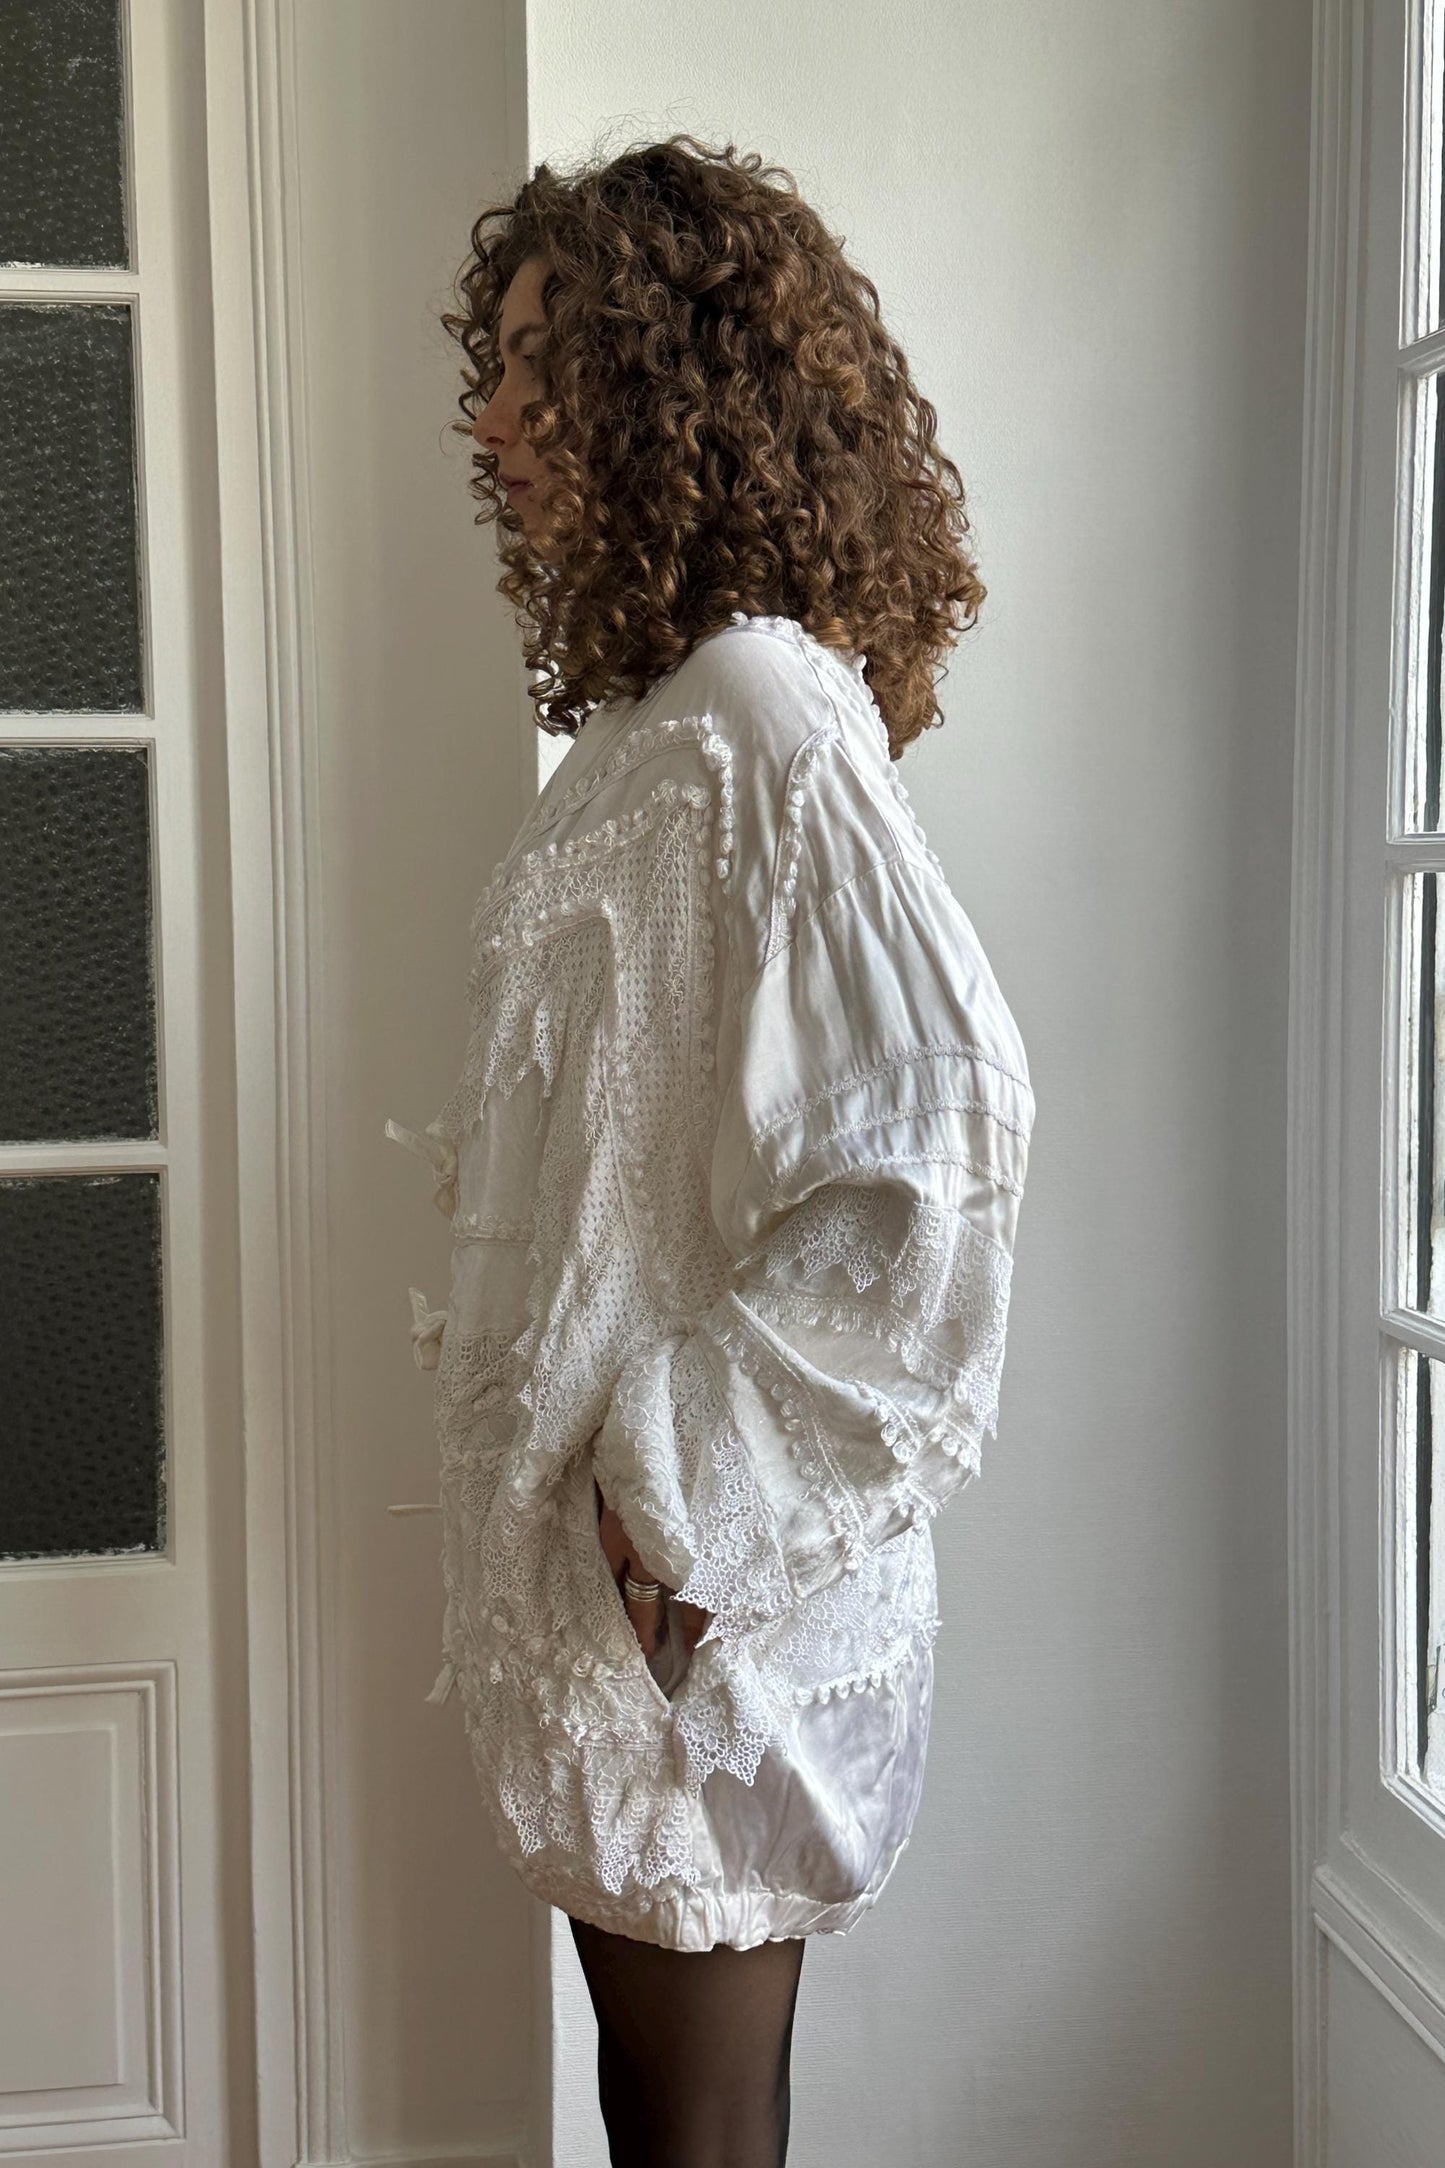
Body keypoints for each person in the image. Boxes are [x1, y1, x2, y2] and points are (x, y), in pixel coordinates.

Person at [386, 133, 1035, 2168]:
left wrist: (664, 1498)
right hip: (641, 1618)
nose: (491, 418)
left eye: (538, 363)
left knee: (696, 2128)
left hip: (701, 1617)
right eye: (496, 365)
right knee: (662, 2109)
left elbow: (940, 1130)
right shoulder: (658, 728)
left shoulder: (762, 712)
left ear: (670, 385)